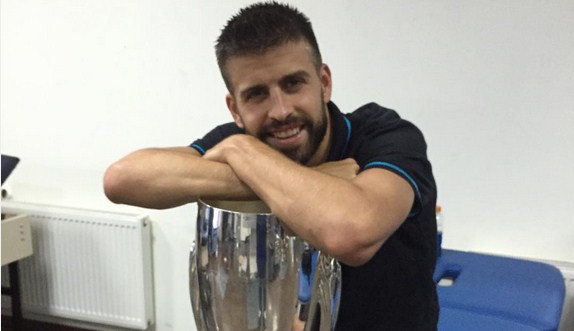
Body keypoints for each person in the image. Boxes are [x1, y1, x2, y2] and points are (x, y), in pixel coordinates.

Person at [104, 2, 438, 330]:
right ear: (235, 108)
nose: (279, 110)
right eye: (256, 94)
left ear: (324, 83)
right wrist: (247, 153)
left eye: (293, 83)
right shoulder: (240, 143)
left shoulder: (386, 137)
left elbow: (349, 233)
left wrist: (243, 160)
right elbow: (122, 179)